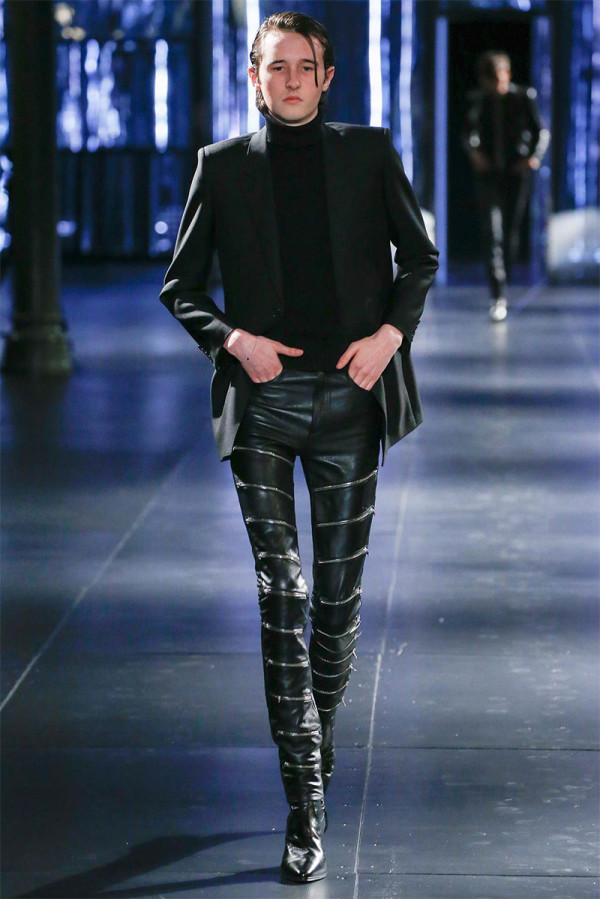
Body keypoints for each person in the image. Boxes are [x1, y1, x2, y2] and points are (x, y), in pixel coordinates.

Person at [160, 11, 438, 884]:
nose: (289, 81)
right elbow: (180, 285)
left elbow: (419, 260)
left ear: (326, 77)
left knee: (336, 612)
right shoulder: (220, 166)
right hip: (266, 405)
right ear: (254, 77)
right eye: (274, 67)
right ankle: (306, 802)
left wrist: (390, 336)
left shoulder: (369, 154)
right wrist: (232, 340)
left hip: (353, 400)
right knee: (282, 592)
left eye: (303, 68)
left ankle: (312, 750)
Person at [464, 50, 549, 322]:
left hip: (516, 174)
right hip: (489, 176)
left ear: (507, 75)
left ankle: (505, 280)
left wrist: (533, 157)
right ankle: (497, 294)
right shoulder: (478, 101)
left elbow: (540, 131)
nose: (495, 87)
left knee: (511, 231)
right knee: (492, 234)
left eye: (499, 80)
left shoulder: (524, 98)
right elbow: (468, 132)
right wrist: (474, 152)